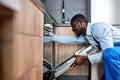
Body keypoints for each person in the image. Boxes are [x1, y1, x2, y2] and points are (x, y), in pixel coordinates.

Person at [69, 14, 120, 80]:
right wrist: (53, 38)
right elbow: (70, 39)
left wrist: (84, 58)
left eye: (74, 25)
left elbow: (107, 52)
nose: (72, 29)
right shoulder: (89, 36)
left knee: (109, 53)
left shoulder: (98, 28)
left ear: (81, 23)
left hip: (114, 52)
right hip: (116, 52)